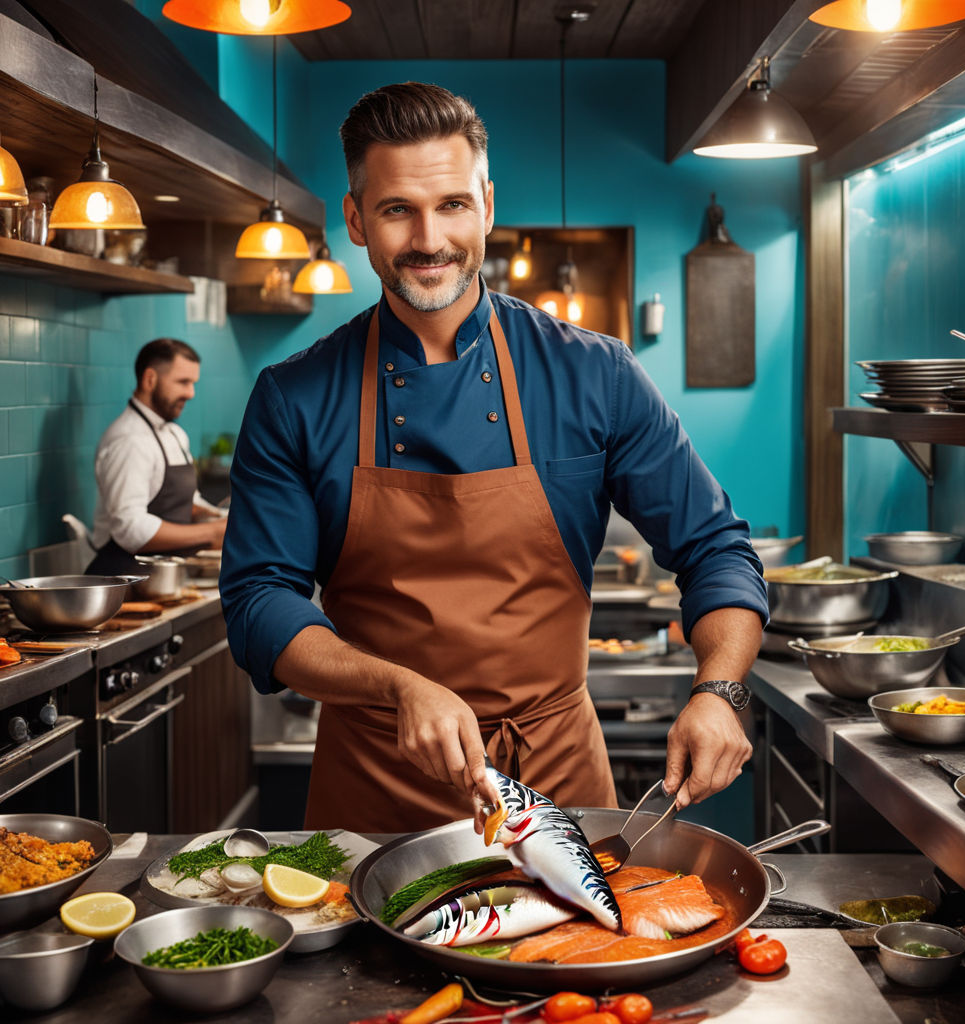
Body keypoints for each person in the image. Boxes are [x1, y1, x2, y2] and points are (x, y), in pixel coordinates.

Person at [220, 82, 769, 834]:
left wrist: (720, 692)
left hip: (559, 784)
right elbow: (259, 603)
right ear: (354, 219)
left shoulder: (595, 373)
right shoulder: (295, 396)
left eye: (450, 204)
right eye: (395, 210)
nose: (428, 238)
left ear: (486, 204)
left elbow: (716, 550)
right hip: (377, 787)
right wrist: (397, 687)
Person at [87, 338, 227, 576]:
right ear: (150, 379)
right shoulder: (129, 440)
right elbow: (129, 528)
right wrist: (212, 532)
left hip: (162, 577)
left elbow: (180, 501)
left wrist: (218, 515)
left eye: (193, 383)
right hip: (124, 581)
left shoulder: (174, 433)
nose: (191, 393)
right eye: (183, 382)